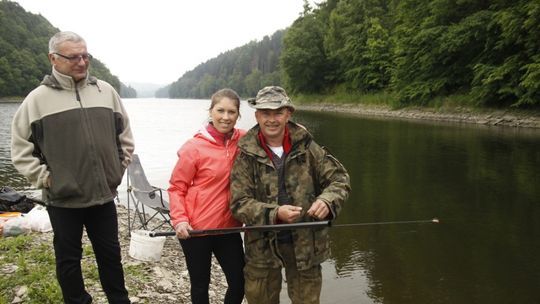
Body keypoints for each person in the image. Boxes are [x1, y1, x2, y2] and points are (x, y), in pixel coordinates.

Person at [10, 31, 134, 304]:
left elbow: (124, 135)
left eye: (85, 55)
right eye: (73, 57)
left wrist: (117, 168)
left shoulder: (105, 91)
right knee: (68, 259)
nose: (82, 62)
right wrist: (48, 179)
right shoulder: (37, 100)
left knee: (111, 256)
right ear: (53, 58)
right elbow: (20, 150)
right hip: (63, 199)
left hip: (103, 196)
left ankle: (119, 300)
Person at [230, 86, 351, 304]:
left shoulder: (308, 146)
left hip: (306, 245)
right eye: (265, 113)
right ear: (257, 115)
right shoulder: (245, 154)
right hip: (261, 247)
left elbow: (339, 179)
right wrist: (276, 213)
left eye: (278, 112)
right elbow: (239, 204)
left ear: (289, 113)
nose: (272, 119)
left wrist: (327, 200)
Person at [168, 88, 246, 304]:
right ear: (211, 111)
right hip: (196, 229)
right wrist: (180, 220)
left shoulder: (244, 140)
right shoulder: (194, 147)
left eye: (232, 112)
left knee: (240, 282)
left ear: (238, 115)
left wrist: (295, 129)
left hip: (228, 227)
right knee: (200, 286)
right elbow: (176, 187)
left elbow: (271, 132)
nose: (226, 117)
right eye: (220, 110)